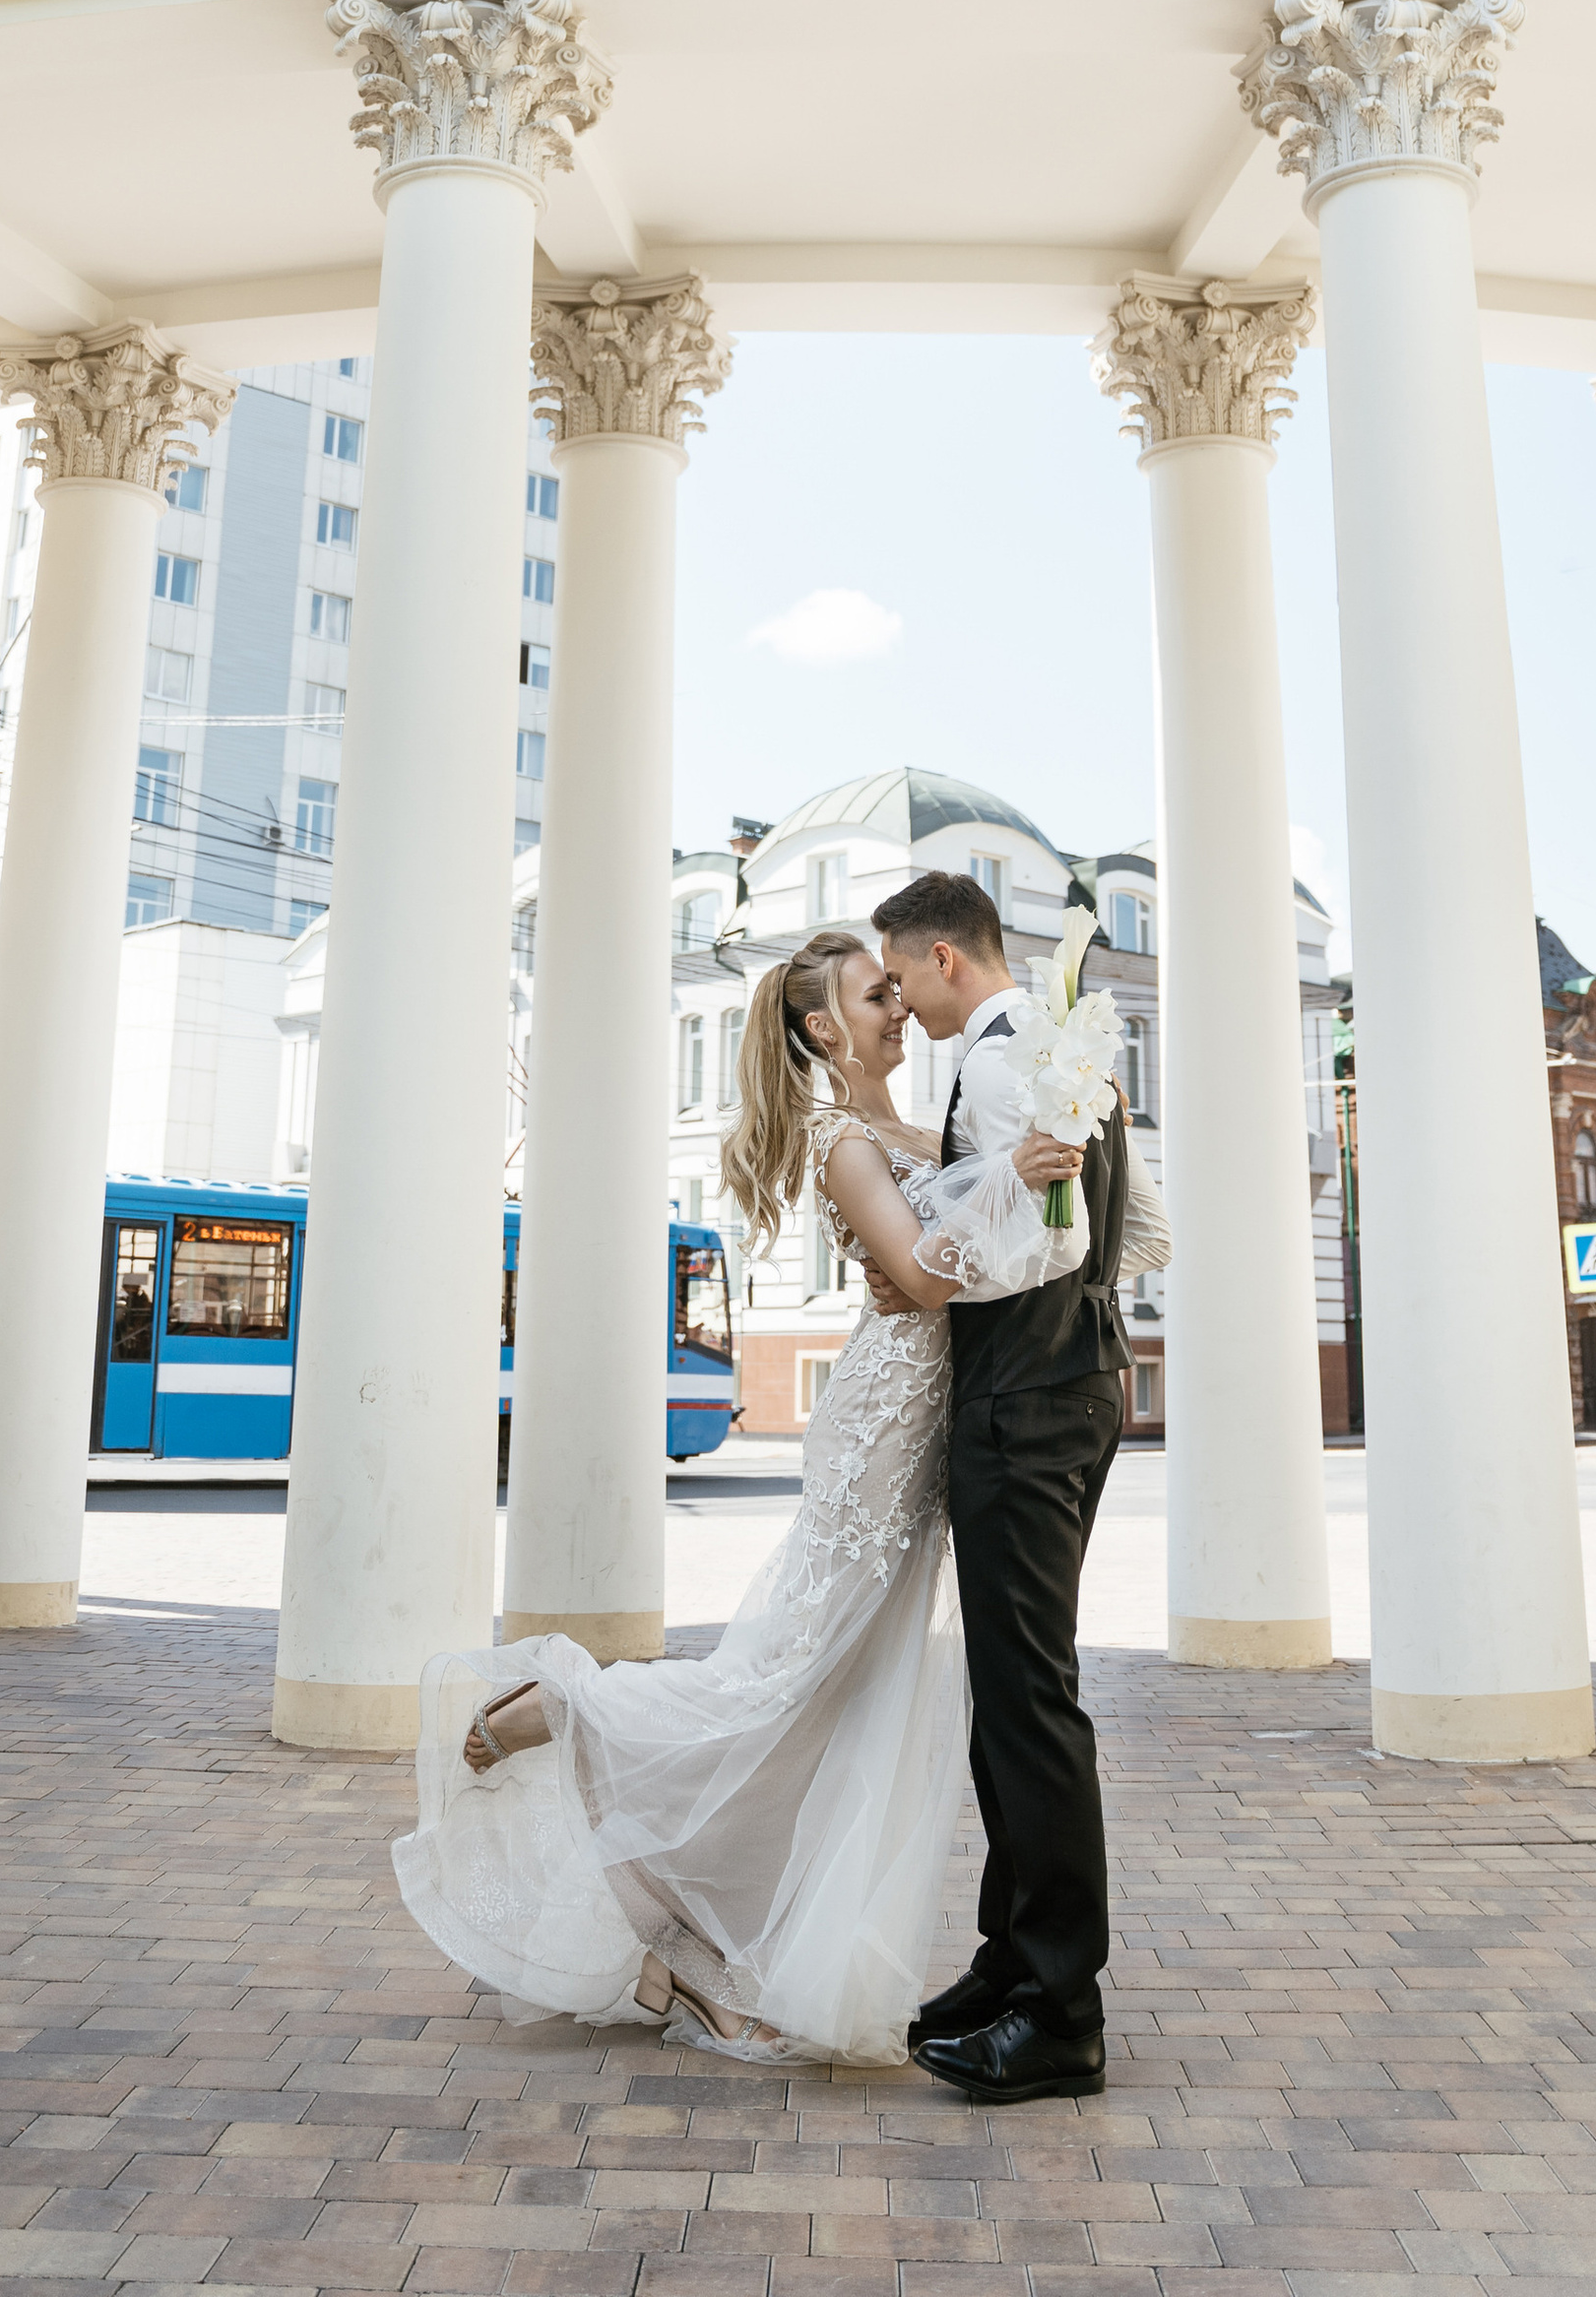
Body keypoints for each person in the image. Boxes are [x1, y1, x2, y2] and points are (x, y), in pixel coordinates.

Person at [393, 927, 1134, 2067]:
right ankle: (566, 1705)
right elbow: (921, 1277)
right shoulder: (841, 1138)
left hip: (929, 1424)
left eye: (896, 990)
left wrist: (1017, 1168)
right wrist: (1010, 1182)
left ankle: (689, 1938)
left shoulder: (905, 1129)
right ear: (824, 1029)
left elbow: (939, 1257)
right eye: (876, 995)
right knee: (787, 1676)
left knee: (830, 1695)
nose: (899, 1008)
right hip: (882, 1431)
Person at [869, 868, 1171, 2108]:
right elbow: (1140, 1232)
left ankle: (1058, 2012)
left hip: (1023, 1402)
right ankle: (1010, 1964)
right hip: (1076, 1383)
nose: (902, 1002)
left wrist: (918, 1255)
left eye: (901, 976)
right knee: (1012, 1696)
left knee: (1028, 1703)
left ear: (945, 957)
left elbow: (1050, 1240)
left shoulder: (1000, 1067)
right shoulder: (1061, 1053)